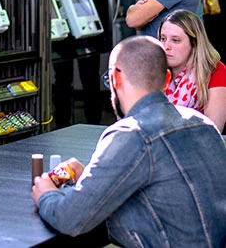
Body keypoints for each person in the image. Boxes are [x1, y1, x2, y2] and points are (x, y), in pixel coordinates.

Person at [32, 35, 226, 247]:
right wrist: (90, 178)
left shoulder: (130, 134)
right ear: (167, 79)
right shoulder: (204, 124)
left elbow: (69, 218)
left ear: (116, 78)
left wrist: (46, 194)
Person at [158, 9, 226, 132]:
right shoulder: (154, 70)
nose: (166, 46)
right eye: (163, 38)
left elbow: (213, 130)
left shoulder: (215, 70)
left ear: (194, 44)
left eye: (175, 40)